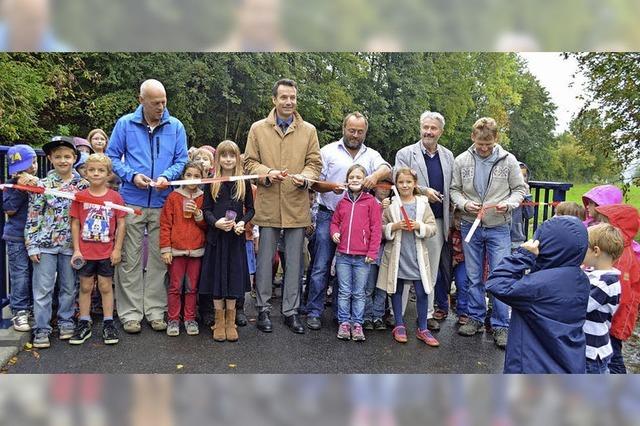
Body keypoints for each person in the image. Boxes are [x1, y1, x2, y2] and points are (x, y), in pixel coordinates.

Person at [105, 79, 189, 334]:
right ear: (141, 100)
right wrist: (131, 176)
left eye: (164, 102)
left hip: (164, 202)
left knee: (159, 259)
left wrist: (168, 177)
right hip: (132, 201)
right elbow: (111, 156)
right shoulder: (125, 124)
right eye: (155, 103)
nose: (161, 107)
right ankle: (130, 314)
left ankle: (154, 310)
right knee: (129, 259)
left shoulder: (176, 126)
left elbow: (182, 159)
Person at [243, 78, 322, 334]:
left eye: (293, 97)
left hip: (296, 204)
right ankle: (263, 309)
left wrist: (306, 178)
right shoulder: (257, 129)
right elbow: (249, 164)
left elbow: (315, 163)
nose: (289, 102)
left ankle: (290, 311)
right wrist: (267, 173)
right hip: (267, 204)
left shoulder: (308, 130)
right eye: (284, 97)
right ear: (274, 100)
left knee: (296, 262)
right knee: (265, 260)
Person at [305, 111, 391, 331]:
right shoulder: (328, 151)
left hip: (359, 220)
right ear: (344, 128)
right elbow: (313, 182)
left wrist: (375, 176)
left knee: (347, 267)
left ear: (365, 132)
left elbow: (387, 169)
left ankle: (340, 315)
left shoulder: (371, 154)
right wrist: (331, 186)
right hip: (329, 214)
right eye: (351, 130)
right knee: (321, 265)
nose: (355, 135)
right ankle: (314, 311)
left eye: (360, 131)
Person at [450, 117, 526, 349]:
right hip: (469, 224)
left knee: (500, 275)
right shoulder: (462, 160)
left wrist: (509, 204)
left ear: (496, 140)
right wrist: (464, 204)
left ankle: (501, 325)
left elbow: (520, 189)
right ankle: (475, 318)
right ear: (473, 137)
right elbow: (454, 190)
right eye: (480, 143)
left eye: (488, 144)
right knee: (473, 275)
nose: (484, 148)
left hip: (498, 226)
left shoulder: (508, 160)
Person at [486, 216, 590, 373]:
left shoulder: (538, 285)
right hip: (568, 363)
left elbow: (496, 282)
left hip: (532, 367)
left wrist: (523, 255)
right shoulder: (581, 279)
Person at [26, 136, 89, 348]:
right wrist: (32, 244)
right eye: (58, 157)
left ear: (74, 158)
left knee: (69, 286)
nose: (63, 160)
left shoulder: (83, 185)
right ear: (51, 159)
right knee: (43, 288)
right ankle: (42, 328)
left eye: (67, 156)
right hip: (45, 244)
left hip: (72, 246)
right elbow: (34, 215)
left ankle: (66, 321)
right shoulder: (42, 185)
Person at [394, 111, 454, 331]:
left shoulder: (448, 156)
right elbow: (396, 180)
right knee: (402, 266)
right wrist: (423, 190)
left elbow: (453, 187)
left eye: (433, 128)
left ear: (441, 131)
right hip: (408, 218)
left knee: (430, 269)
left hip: (436, 220)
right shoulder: (405, 153)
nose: (428, 132)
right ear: (420, 128)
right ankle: (396, 314)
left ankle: (427, 314)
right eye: (425, 127)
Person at [376, 168, 439, 347]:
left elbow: (432, 227)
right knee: (396, 289)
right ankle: (399, 324)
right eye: (401, 182)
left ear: (415, 184)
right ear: (396, 184)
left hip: (417, 255)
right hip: (398, 255)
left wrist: (419, 226)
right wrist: (394, 226)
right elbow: (381, 227)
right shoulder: (391, 205)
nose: (405, 185)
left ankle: (423, 327)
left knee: (421, 291)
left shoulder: (423, 204)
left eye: (408, 182)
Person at [200, 141, 254, 342]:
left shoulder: (244, 181)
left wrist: (242, 222)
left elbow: (251, 209)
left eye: (232, 156)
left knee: (233, 277)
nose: (228, 159)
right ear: (218, 158)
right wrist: (216, 223)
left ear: (238, 158)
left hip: (235, 240)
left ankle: (230, 321)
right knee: (217, 278)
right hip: (216, 239)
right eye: (224, 156)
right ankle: (219, 320)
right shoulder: (212, 182)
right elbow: (205, 210)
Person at [69, 154, 126, 345]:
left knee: (105, 286)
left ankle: (109, 323)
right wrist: (77, 249)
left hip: (105, 251)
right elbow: (75, 223)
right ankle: (84, 321)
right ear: (85, 172)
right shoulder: (81, 197)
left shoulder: (115, 197)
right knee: (85, 287)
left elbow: (121, 223)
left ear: (109, 174)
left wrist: (117, 249)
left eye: (100, 170)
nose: (95, 173)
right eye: (91, 170)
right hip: (85, 252)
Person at [330, 165, 382, 341]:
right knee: (344, 291)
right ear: (347, 179)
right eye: (351, 177)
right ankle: (344, 323)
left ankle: (357, 324)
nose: (354, 180)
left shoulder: (371, 203)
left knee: (359, 292)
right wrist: (334, 232)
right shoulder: (342, 203)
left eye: (358, 177)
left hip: (363, 257)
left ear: (365, 180)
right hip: (343, 255)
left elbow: (376, 230)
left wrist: (372, 252)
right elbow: (334, 222)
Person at [160, 162, 207, 337]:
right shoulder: (174, 197)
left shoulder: (203, 197)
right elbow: (165, 224)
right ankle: (173, 319)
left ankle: (189, 318)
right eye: (189, 175)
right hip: (176, 250)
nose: (192, 179)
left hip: (196, 250)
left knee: (192, 287)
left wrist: (198, 215)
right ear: (182, 176)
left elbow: (205, 226)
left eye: (196, 176)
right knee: (175, 286)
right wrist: (166, 249)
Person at [594, 204, 640, 374]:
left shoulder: (623, 258)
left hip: (616, 319)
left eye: (602, 223)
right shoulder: (618, 252)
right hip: (612, 316)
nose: (598, 226)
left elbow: (624, 296)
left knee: (613, 357)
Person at [2, 144, 38, 332]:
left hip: (35, 237)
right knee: (20, 276)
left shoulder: (39, 182)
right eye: (26, 165)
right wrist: (20, 189)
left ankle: (32, 307)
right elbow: (9, 209)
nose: (31, 167)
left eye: (33, 162)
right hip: (16, 236)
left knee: (35, 274)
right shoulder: (11, 186)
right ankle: (20, 311)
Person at [582, 223, 624, 374]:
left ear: (595, 251)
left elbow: (580, 305)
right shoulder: (595, 274)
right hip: (587, 347)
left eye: (583, 247)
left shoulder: (606, 282)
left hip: (592, 352)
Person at [363, 180, 391, 331]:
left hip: (386, 249)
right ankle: (367, 316)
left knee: (382, 287)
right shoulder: (368, 201)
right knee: (368, 286)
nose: (385, 191)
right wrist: (380, 208)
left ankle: (378, 316)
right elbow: (367, 224)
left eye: (388, 188)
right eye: (382, 187)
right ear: (374, 187)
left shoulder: (393, 204)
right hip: (371, 249)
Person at [510, 162, 534, 250]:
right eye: (519, 176)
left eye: (524, 176)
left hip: (517, 238)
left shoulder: (525, 194)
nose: (522, 179)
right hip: (501, 236)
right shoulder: (503, 192)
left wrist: (527, 195)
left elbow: (530, 215)